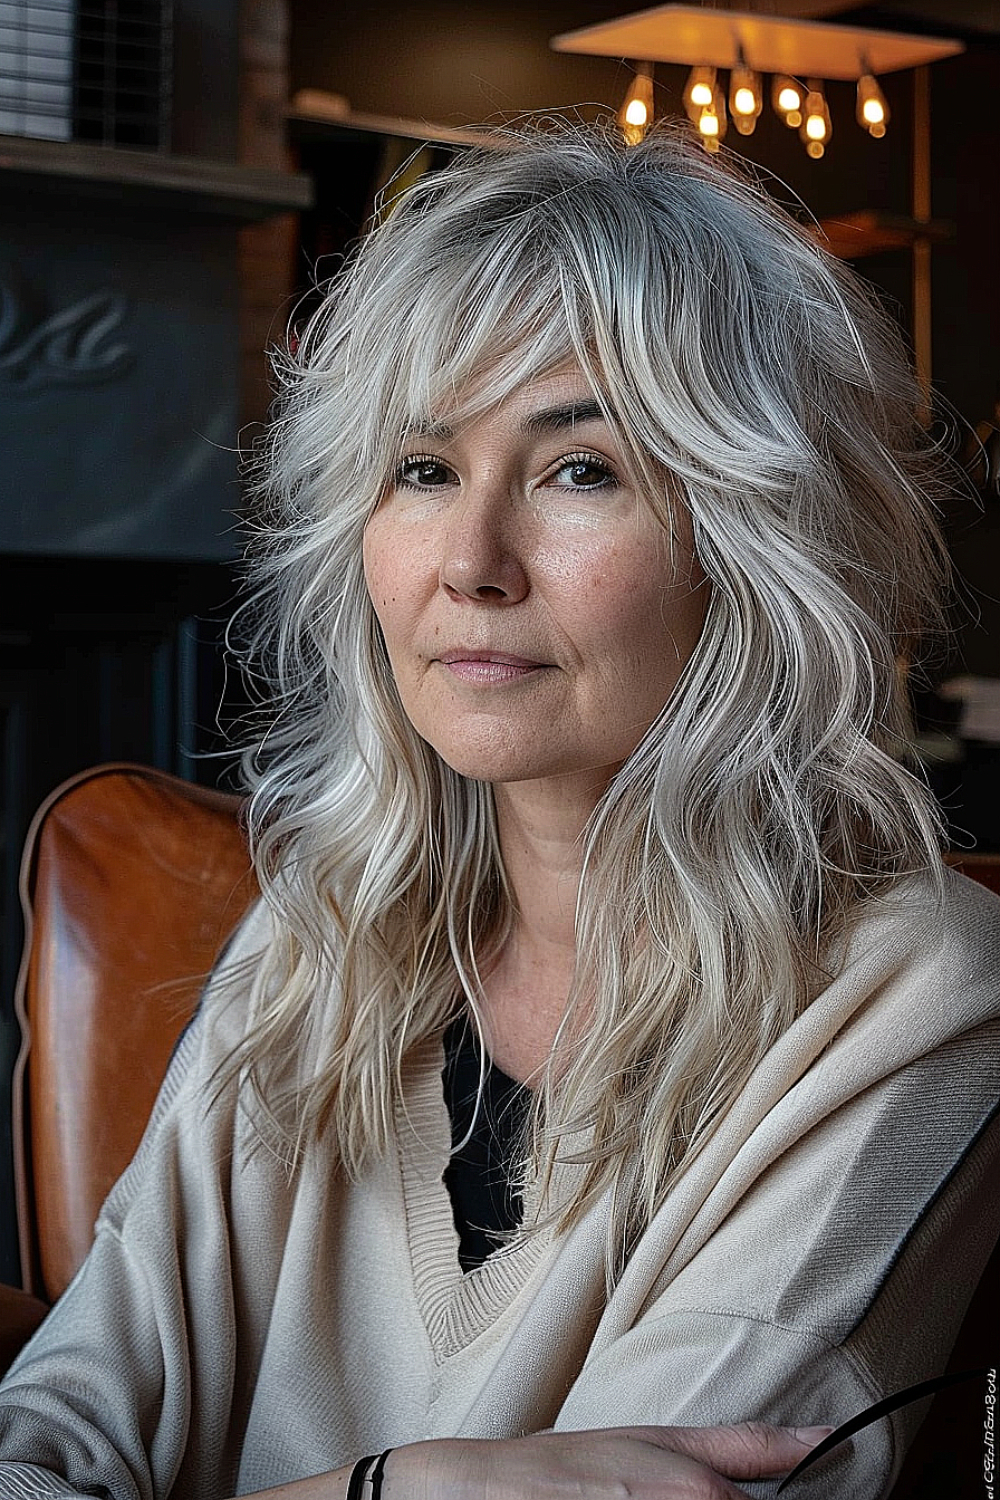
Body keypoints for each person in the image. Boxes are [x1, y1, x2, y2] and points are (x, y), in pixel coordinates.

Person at [0, 119, 998, 1500]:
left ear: (753, 545)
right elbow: (43, 1448)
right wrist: (388, 1490)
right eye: (422, 470)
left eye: (579, 470)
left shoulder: (914, 998)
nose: (470, 561)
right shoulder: (321, 935)